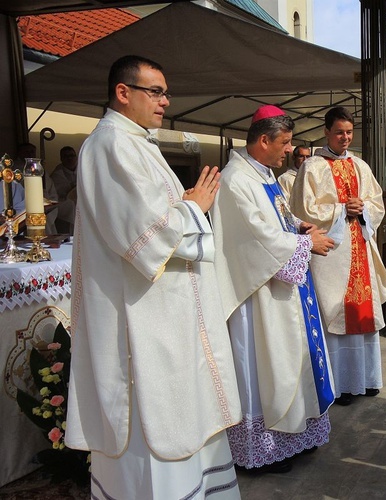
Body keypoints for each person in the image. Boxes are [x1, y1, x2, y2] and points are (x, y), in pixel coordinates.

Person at [66, 55, 242, 499]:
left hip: (167, 311)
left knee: (185, 408)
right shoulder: (111, 144)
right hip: (141, 319)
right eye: (155, 91)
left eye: (166, 92)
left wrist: (183, 205)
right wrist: (193, 207)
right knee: (157, 419)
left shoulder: (137, 142)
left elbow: (154, 217)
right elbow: (144, 237)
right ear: (123, 92)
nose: (165, 101)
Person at [210, 105, 336, 473]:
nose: (289, 150)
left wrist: (301, 227)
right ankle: (266, 448)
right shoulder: (236, 180)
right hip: (258, 295)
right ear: (263, 140)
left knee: (290, 361)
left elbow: (277, 219)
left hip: (283, 288)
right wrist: (305, 245)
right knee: (268, 365)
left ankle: (297, 434)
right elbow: (254, 239)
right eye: (284, 143)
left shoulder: (262, 175)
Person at [290, 106, 386, 406]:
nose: (345, 137)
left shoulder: (361, 165)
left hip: (359, 244)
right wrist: (340, 209)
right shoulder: (312, 167)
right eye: (339, 132)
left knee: (363, 315)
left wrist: (364, 210)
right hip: (332, 253)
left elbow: (376, 202)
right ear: (326, 132)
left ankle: (368, 378)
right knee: (335, 313)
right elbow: (302, 209)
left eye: (349, 132)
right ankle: (342, 385)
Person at [50, 146, 78, 233]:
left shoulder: (83, 169)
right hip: (65, 201)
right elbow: (56, 194)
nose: (69, 158)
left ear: (76, 157)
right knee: (69, 205)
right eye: (66, 156)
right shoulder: (57, 174)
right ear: (61, 158)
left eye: (72, 155)